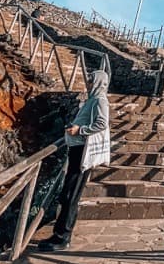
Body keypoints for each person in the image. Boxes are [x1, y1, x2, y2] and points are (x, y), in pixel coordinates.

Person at [38, 69, 110, 251]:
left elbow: (102, 123)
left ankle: (62, 237)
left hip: (82, 152)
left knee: (71, 194)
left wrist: (80, 131)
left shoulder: (100, 100)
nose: (88, 83)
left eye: (91, 80)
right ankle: (60, 233)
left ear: (99, 82)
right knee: (68, 193)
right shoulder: (92, 100)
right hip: (76, 150)